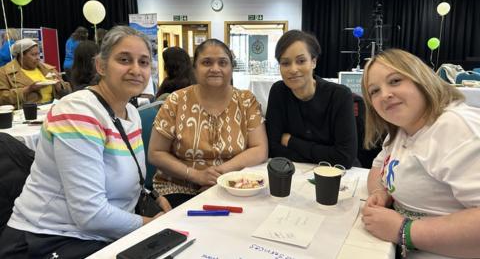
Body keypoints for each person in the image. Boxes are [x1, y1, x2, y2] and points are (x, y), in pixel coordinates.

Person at [0, 26, 171, 258]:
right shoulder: (77, 112)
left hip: (104, 234)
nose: (135, 69)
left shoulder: (130, 112)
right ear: (101, 66)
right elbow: (90, 214)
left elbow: (128, 174)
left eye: (143, 62)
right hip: (51, 239)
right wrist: (152, 224)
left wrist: (155, 197)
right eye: (124, 59)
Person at [361, 49, 480, 259]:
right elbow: (379, 167)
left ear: (421, 79)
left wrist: (404, 230)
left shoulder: (455, 127)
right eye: (374, 91)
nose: (385, 94)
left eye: (395, 81)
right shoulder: (402, 130)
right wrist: (380, 193)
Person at [148, 39, 268, 208]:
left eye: (223, 62)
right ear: (195, 69)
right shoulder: (176, 101)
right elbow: (156, 152)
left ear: (231, 68)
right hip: (179, 187)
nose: (215, 69)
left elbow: (260, 149)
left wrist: (218, 175)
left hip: (234, 185)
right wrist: (195, 175)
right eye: (206, 62)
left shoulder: (246, 101)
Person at [265, 30, 358, 168]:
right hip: (294, 173)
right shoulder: (278, 92)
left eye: (301, 61)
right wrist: (324, 154)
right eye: (285, 63)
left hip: (338, 176)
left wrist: (291, 142)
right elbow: (273, 149)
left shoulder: (339, 95)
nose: (293, 69)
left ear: (313, 62)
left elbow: (345, 158)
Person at [0, 38, 71, 107]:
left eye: (38, 54)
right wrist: (29, 89)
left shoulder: (48, 69)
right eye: (33, 54)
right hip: (27, 111)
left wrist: (60, 86)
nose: (37, 58)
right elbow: (2, 98)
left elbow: (68, 93)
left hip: (53, 107)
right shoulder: (5, 72)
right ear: (21, 56)